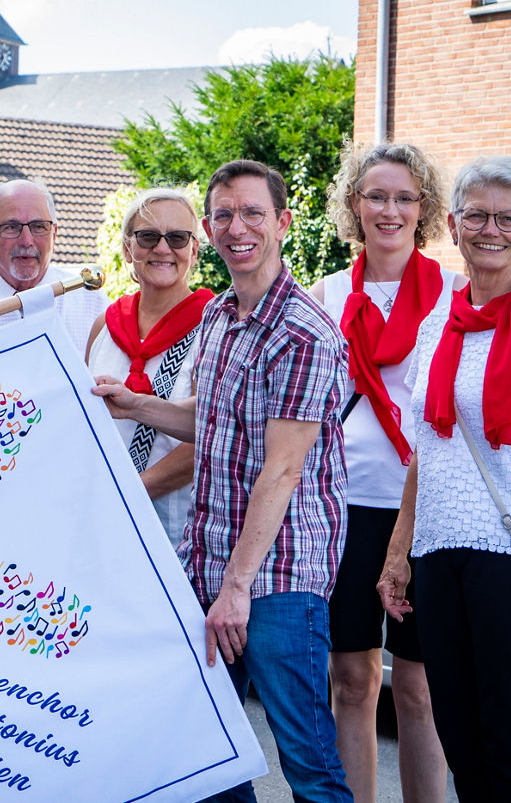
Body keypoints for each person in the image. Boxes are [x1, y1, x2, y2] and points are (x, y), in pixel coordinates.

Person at [93, 160, 352, 801]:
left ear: (284, 223)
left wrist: (234, 590)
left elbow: (283, 467)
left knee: (309, 765)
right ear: (210, 229)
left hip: (277, 578)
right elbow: (208, 421)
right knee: (214, 759)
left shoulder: (304, 332)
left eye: (253, 213)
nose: (239, 228)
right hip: (209, 569)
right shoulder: (219, 317)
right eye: (225, 216)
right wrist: (136, 404)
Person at [378, 155, 511, 800]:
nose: (492, 229)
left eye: (507, 217)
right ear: (453, 225)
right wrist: (399, 553)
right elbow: (427, 448)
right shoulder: (438, 323)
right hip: (438, 549)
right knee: (459, 733)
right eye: (477, 215)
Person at [309, 143, 455, 802]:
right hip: (343, 503)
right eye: (376, 196)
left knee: (421, 685)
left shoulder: (455, 294)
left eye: (403, 197)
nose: (389, 210)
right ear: (354, 206)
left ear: (423, 208)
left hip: (429, 507)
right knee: (353, 679)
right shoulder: (324, 295)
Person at [85, 188, 210, 544]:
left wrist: (131, 493)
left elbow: (210, 434)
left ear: (194, 250)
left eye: (177, 237)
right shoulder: (104, 327)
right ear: (128, 248)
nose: (162, 248)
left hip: (177, 529)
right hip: (105, 520)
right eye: (148, 236)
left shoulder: (214, 329)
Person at [0, 178, 107, 352]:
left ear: (54, 235)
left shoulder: (93, 305)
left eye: (38, 226)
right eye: (11, 227)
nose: (26, 241)